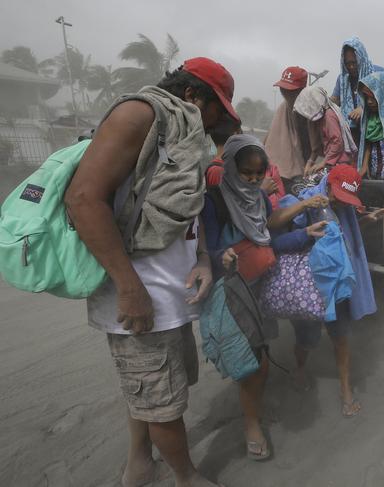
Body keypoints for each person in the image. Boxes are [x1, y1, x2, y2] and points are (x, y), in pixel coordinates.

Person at [64, 57, 239, 487]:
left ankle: (139, 463)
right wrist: (129, 289)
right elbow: (84, 200)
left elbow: (183, 214)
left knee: (156, 389)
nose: (214, 123)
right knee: (162, 402)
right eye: (216, 110)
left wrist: (199, 260)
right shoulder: (139, 113)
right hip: (141, 294)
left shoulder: (175, 128)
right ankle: (186, 476)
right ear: (193, 95)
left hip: (168, 293)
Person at [201, 134, 329, 461]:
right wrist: (221, 258)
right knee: (251, 365)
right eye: (247, 173)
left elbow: (266, 240)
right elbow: (206, 249)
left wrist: (303, 234)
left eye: (260, 174)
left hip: (261, 288)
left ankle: (254, 411)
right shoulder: (214, 203)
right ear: (230, 168)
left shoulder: (257, 200)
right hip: (234, 294)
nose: (255, 179)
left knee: (261, 357)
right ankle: (251, 424)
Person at [283, 164, 384, 417]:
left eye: (346, 200)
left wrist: (365, 221)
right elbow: (282, 231)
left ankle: (345, 390)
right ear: (328, 185)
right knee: (306, 339)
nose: (341, 204)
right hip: (309, 285)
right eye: (337, 197)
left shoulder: (343, 207)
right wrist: (305, 224)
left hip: (336, 283)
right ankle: (299, 370)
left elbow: (339, 234)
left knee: (340, 338)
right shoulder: (306, 201)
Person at [206, 125, 286, 209]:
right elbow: (228, 209)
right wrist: (262, 191)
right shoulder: (218, 170)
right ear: (236, 135)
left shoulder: (232, 166)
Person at [265, 66, 321, 183]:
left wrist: (310, 163)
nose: (286, 93)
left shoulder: (309, 109)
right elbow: (270, 136)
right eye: (283, 89)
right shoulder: (283, 108)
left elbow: (313, 144)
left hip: (300, 169)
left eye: (290, 90)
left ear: (301, 90)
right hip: (275, 169)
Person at [293, 85, 358, 176]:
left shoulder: (329, 116)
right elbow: (317, 145)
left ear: (314, 103)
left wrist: (323, 163)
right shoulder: (320, 118)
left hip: (340, 162)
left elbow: (337, 142)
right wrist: (310, 162)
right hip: (333, 161)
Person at [330, 37, 384, 141]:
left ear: (361, 57)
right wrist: (323, 102)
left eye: (354, 62)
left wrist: (364, 109)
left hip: (376, 133)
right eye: (347, 63)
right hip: (352, 134)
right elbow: (335, 100)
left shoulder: (378, 73)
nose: (351, 67)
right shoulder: (342, 79)